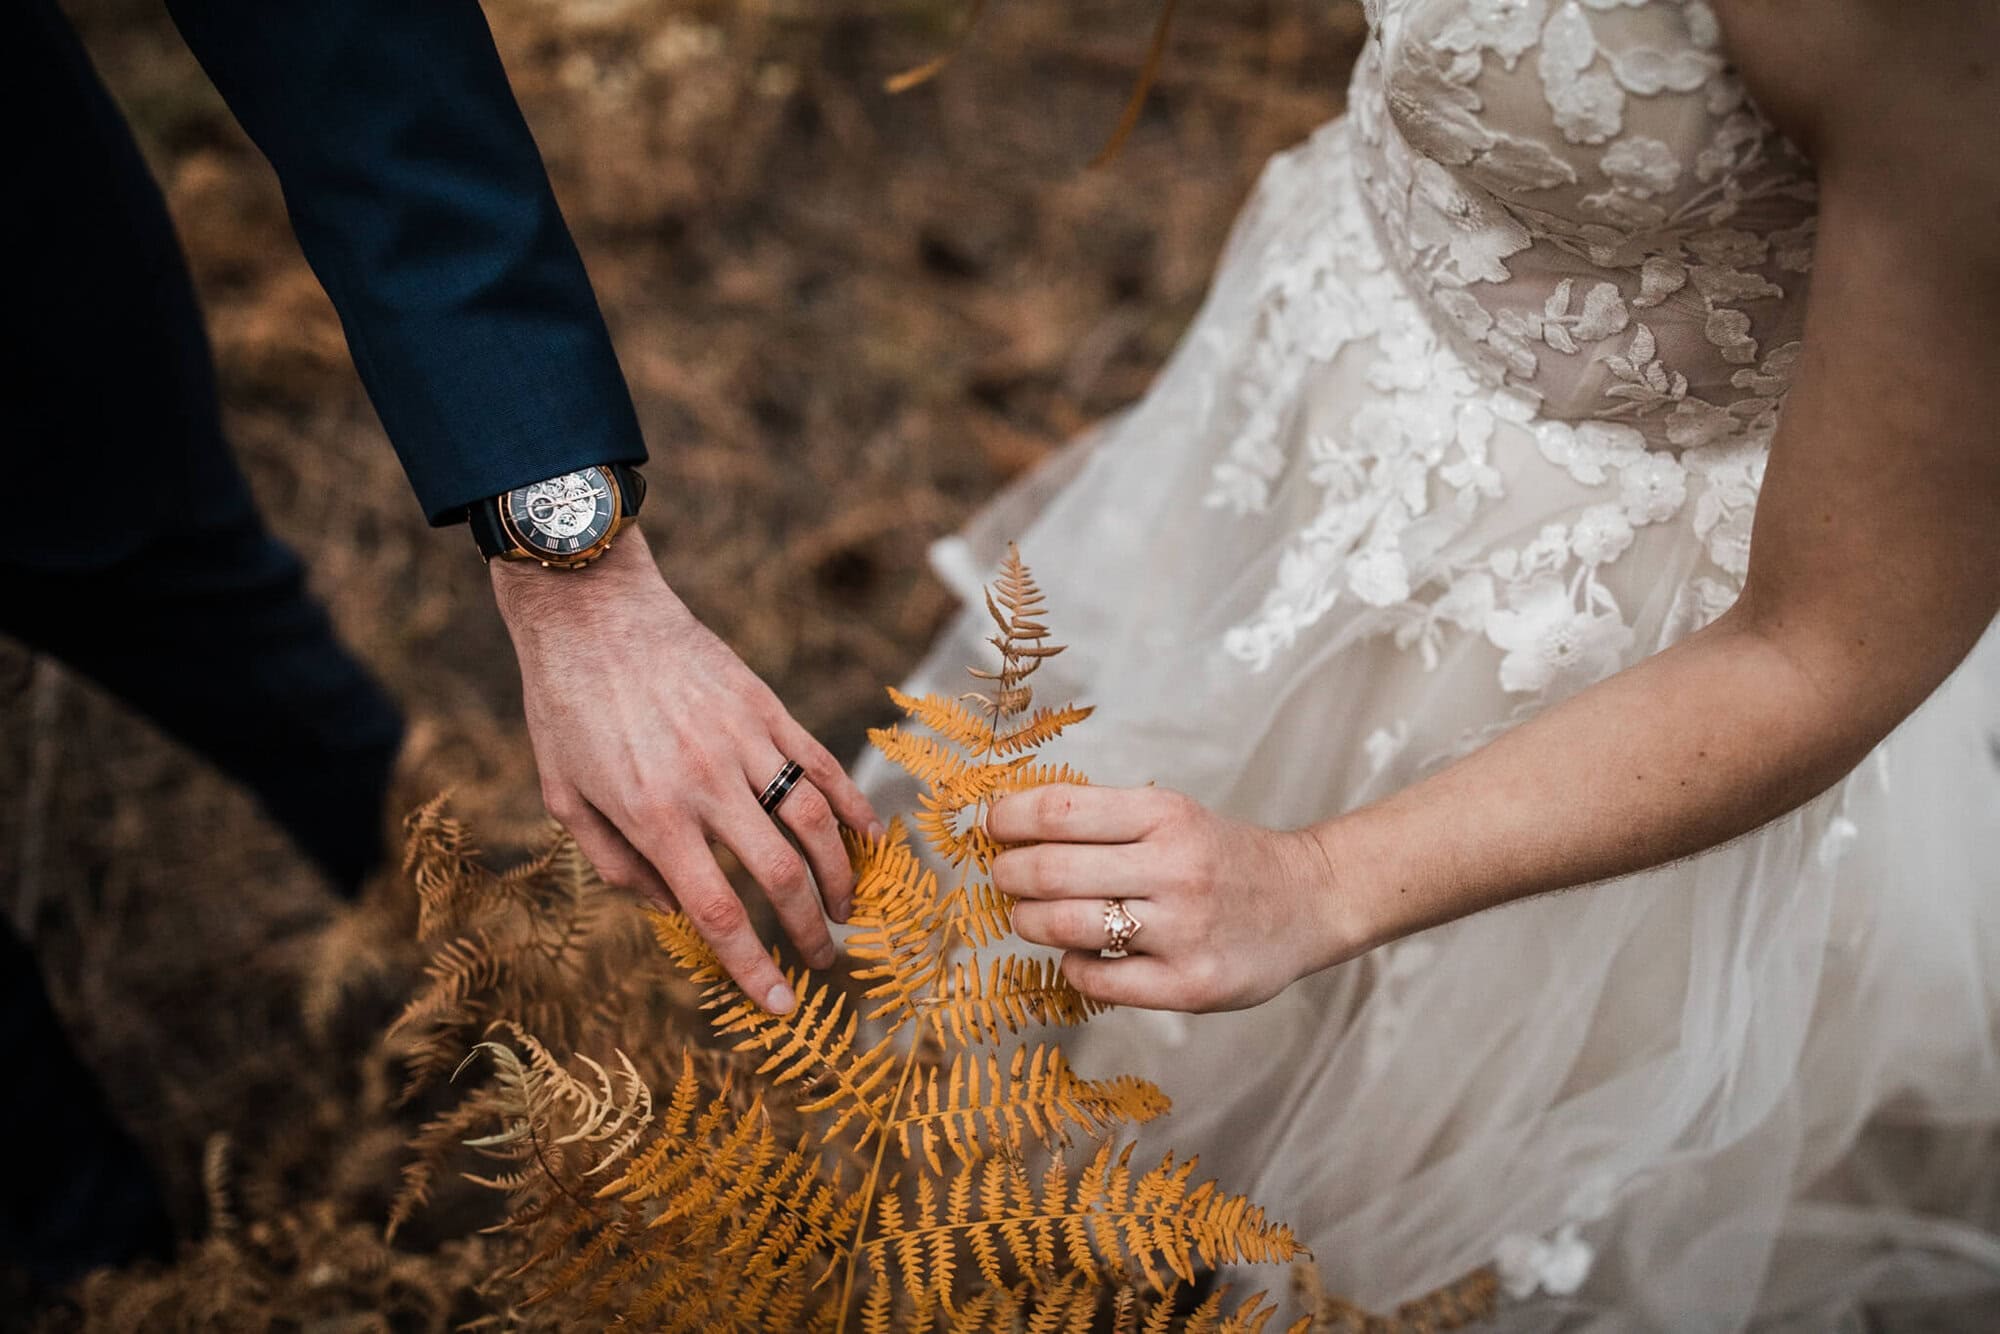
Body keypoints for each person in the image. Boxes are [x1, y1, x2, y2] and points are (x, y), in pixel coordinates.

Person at [860, 0, 2000, 1325]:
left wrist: (1321, 877)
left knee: (1405, 1193)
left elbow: (1830, 643)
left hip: (1600, 649)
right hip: (1311, 396)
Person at [3, 0, 872, 1285]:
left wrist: (572, 574)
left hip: (33, 340)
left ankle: (490, 954)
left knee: (229, 630)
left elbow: (341, 39)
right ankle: (121, 1284)